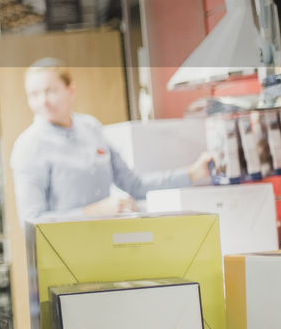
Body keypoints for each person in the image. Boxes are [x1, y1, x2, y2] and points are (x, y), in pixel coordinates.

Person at [11, 57, 211, 222]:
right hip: (64, 255)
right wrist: (93, 212)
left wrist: (193, 173)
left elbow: (134, 185)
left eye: (50, 90)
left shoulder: (91, 128)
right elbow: (31, 220)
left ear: (71, 90)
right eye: (34, 95)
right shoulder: (28, 146)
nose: (42, 101)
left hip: (108, 242)